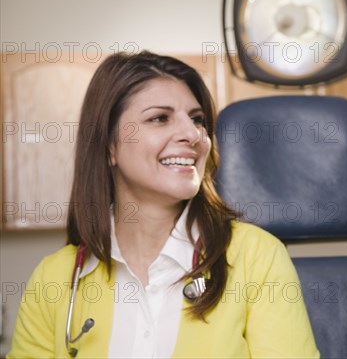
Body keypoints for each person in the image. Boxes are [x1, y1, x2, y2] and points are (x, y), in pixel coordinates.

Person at [8, 51, 319, 358]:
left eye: (197, 119)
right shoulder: (54, 279)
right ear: (109, 146)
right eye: (159, 118)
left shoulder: (258, 258)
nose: (192, 134)